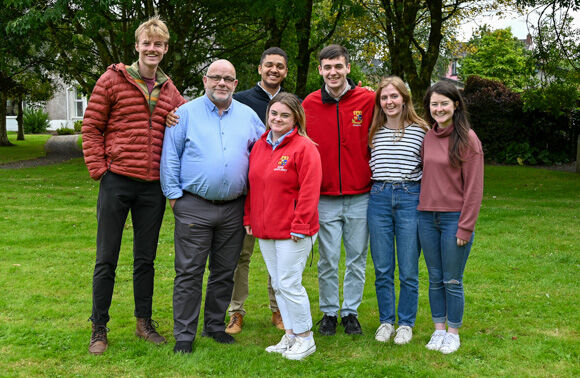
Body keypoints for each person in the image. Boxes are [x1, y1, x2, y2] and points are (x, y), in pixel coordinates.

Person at [82, 16, 185, 356]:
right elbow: (91, 127)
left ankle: (144, 322)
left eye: (159, 44)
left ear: (165, 49)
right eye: (147, 43)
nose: (152, 49)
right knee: (106, 257)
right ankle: (99, 327)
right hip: (117, 180)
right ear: (137, 46)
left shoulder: (171, 90)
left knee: (146, 259)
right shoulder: (113, 80)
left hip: (151, 186)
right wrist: (100, 170)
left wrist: (175, 119)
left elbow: (186, 125)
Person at [160, 59, 264, 354]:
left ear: (235, 83)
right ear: (205, 80)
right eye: (216, 77)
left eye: (228, 78)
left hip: (234, 207)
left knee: (224, 271)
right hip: (194, 204)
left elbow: (263, 149)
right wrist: (174, 197)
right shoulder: (184, 114)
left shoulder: (247, 116)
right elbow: (170, 156)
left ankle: (215, 326)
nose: (221, 82)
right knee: (189, 271)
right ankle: (184, 334)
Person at [302, 44, 375, 335]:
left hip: (360, 194)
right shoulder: (308, 104)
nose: (333, 72)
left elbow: (398, 105)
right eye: (327, 67)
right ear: (320, 70)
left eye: (338, 66)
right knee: (328, 258)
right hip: (326, 195)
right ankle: (330, 312)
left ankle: (351, 312)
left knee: (357, 257)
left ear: (347, 68)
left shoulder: (368, 99)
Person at [244, 92, 322, 360]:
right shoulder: (259, 147)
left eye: (284, 115)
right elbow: (252, 186)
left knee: (289, 283)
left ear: (295, 118)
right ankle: (290, 335)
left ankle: (305, 337)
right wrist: (249, 219)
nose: (278, 119)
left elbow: (310, 191)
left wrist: (300, 225)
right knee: (278, 285)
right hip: (265, 229)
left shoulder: (304, 147)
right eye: (274, 113)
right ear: (268, 115)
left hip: (294, 231)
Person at [226, 47, 289, 334]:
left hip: (279, 191)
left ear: (285, 71)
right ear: (259, 69)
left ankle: (279, 309)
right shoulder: (239, 101)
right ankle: (236, 311)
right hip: (245, 190)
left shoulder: (291, 102)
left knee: (279, 255)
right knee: (241, 255)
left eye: (279, 66)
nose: (274, 70)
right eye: (269, 65)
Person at [419, 81, 484, 354]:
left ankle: (453, 332)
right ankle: (438, 330)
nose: (439, 108)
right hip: (426, 218)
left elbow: (474, 189)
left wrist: (465, 227)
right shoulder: (427, 137)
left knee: (452, 279)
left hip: (453, 219)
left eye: (444, 103)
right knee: (434, 278)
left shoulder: (468, 139)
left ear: (456, 105)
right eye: (434, 104)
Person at [367, 76, 429, 345]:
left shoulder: (421, 129)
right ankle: (386, 321)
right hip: (379, 197)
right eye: (384, 97)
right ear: (379, 102)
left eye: (394, 96)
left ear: (404, 99)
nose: (389, 102)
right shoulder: (374, 131)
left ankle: (405, 323)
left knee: (408, 267)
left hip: (409, 197)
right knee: (382, 267)